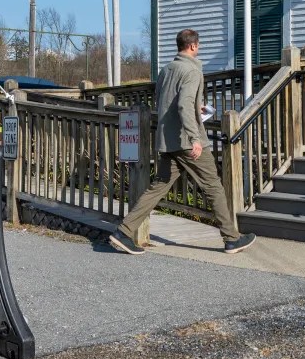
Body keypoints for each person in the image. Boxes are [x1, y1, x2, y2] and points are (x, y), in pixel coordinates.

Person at [109, 29, 257, 255]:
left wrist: (194, 108)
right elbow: (183, 105)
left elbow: (167, 101)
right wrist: (195, 137)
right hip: (187, 141)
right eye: (199, 46)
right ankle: (231, 238)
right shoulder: (192, 71)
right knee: (214, 187)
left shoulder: (166, 71)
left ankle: (123, 232)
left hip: (167, 140)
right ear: (194, 46)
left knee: (158, 187)